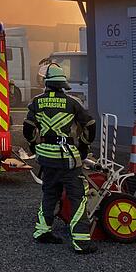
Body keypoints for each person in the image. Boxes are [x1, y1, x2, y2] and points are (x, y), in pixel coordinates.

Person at [23, 62, 97, 255]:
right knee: (78, 196)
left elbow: (28, 129)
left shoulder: (36, 102)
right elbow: (90, 124)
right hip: (68, 159)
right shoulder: (73, 102)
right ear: (63, 84)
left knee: (49, 193)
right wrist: (83, 145)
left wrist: (34, 145)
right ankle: (81, 241)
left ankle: (42, 231)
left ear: (46, 83)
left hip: (46, 157)